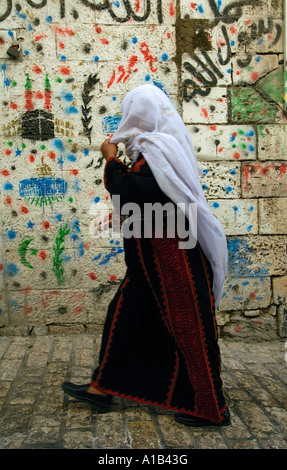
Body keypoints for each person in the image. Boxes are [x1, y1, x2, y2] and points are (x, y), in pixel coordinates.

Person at [62, 84, 230, 427]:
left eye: (131, 114)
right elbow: (146, 198)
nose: (127, 122)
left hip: (173, 261)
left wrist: (111, 158)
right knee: (125, 317)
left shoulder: (160, 149)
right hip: (148, 258)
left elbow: (136, 188)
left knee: (190, 327)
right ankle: (101, 387)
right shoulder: (151, 150)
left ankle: (211, 407)